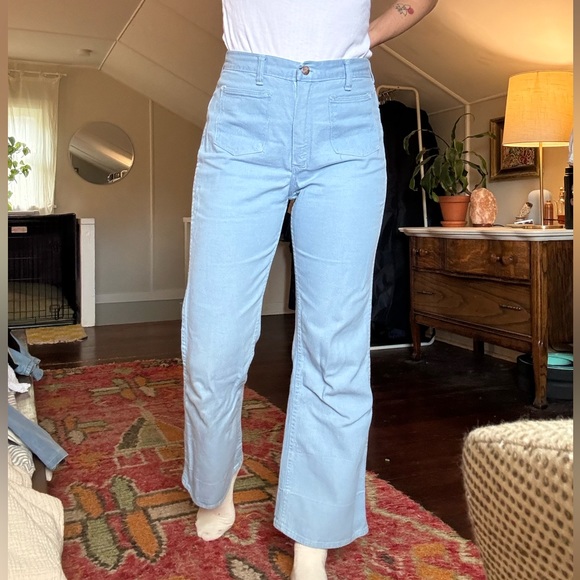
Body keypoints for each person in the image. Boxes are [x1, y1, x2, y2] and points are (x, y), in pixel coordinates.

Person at [181, 1, 439, 578]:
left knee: (335, 348)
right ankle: (214, 482)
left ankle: (313, 540)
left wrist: (366, 36)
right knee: (211, 345)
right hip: (247, 103)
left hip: (345, 107)